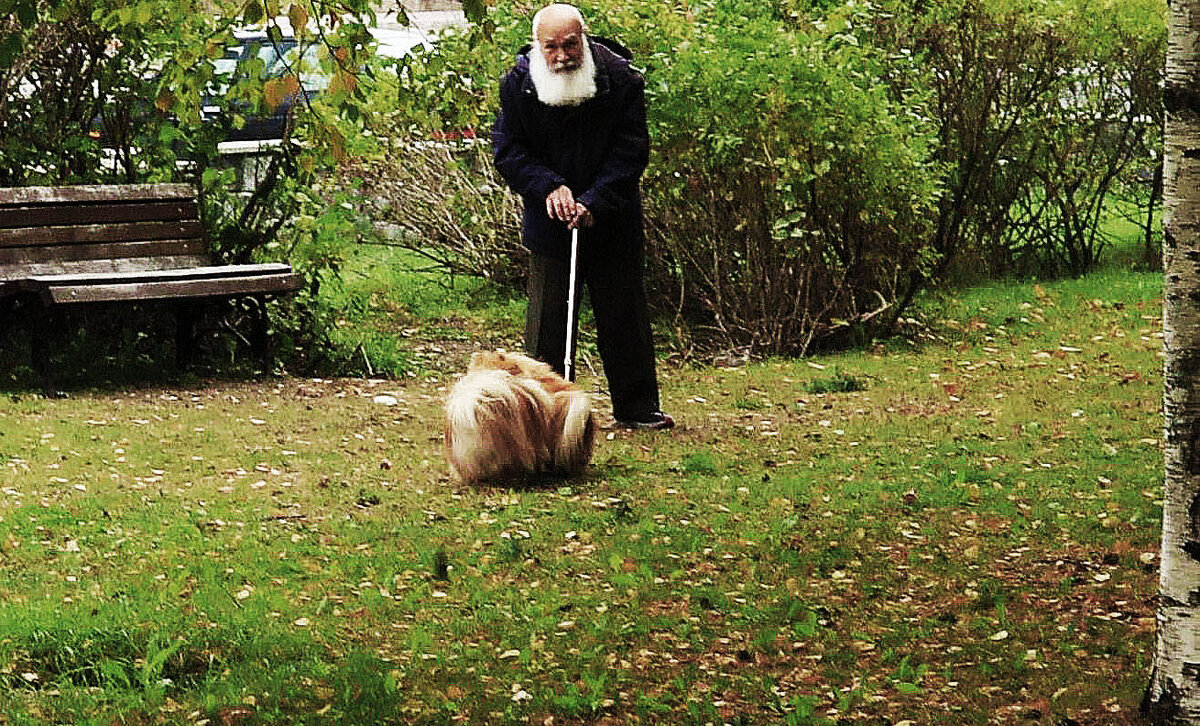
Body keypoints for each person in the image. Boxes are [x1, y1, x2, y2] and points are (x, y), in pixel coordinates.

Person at [491, 2, 674, 430]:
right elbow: (510, 151)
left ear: (583, 38)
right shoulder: (518, 84)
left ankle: (637, 408)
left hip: (611, 218)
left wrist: (595, 200)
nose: (561, 56)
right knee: (547, 324)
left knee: (623, 313)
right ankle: (546, 414)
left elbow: (632, 149)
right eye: (551, 47)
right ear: (539, 45)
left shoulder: (621, 79)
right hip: (549, 220)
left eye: (570, 45)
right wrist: (548, 187)